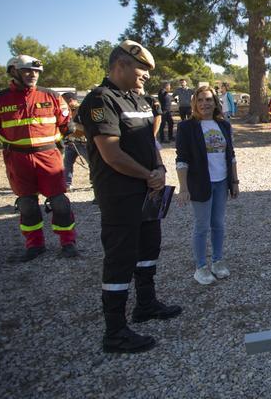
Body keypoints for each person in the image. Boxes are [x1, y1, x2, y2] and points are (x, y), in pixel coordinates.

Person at [77, 40, 182, 354]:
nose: (147, 75)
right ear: (119, 65)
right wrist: (149, 175)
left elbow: (149, 144)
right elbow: (112, 153)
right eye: (142, 68)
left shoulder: (140, 99)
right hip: (120, 194)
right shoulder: (100, 99)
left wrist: (160, 168)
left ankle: (146, 305)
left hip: (148, 190)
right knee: (120, 258)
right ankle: (115, 331)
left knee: (149, 248)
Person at [0, 55, 80, 261]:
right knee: (27, 204)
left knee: (60, 202)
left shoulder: (50, 96)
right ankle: (35, 245)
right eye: (27, 71)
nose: (33, 75)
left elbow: (67, 126)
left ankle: (68, 243)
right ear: (13, 72)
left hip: (48, 156)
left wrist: (52, 143)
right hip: (17, 159)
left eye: (36, 72)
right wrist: (11, 145)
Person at [175, 86, 239, 285]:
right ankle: (201, 267)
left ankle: (218, 262)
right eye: (200, 100)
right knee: (202, 226)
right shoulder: (187, 127)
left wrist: (234, 181)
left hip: (221, 182)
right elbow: (181, 159)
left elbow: (231, 155)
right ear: (195, 102)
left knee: (218, 224)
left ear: (215, 102)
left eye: (209, 99)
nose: (205, 104)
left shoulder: (224, 125)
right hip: (200, 183)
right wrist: (183, 187)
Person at [61, 92, 89, 190]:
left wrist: (73, 125)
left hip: (83, 142)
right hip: (71, 143)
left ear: (71, 100)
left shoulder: (83, 110)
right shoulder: (67, 111)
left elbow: (86, 127)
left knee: (92, 163)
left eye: (64, 101)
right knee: (67, 164)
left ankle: (95, 182)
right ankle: (67, 184)